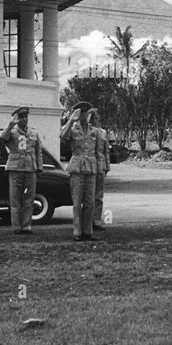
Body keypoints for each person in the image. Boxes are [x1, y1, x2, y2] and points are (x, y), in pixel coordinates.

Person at [60, 101, 104, 241]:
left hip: (91, 169)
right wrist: (70, 120)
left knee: (90, 203)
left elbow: (98, 152)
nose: (84, 116)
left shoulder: (94, 131)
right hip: (77, 168)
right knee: (77, 203)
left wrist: (100, 169)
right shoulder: (73, 129)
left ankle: (88, 232)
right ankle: (77, 232)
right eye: (81, 113)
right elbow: (62, 136)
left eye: (86, 113)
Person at [0, 107, 43, 235]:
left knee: (29, 198)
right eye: (21, 117)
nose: (24, 119)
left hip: (30, 168)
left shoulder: (33, 132)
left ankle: (26, 226)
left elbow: (38, 151)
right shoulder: (12, 132)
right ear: (17, 118)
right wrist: (10, 125)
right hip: (16, 168)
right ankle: (16, 226)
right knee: (15, 198)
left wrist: (39, 167)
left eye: (26, 117)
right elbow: (2, 138)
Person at [88, 109, 111, 231]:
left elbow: (106, 151)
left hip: (100, 166)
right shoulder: (87, 132)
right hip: (89, 166)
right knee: (88, 196)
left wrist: (107, 166)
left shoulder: (103, 133)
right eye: (92, 118)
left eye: (96, 118)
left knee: (98, 196)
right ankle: (87, 221)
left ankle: (96, 220)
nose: (94, 121)